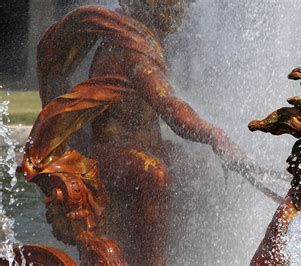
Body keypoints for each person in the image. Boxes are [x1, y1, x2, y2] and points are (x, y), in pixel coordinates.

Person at [22, 2, 266, 264]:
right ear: (150, 6)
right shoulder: (130, 46)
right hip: (112, 154)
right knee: (153, 173)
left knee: (196, 169)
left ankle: (189, 256)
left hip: (145, 147)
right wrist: (215, 136)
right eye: (174, 5)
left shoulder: (143, 39)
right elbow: (170, 107)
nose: (181, 11)